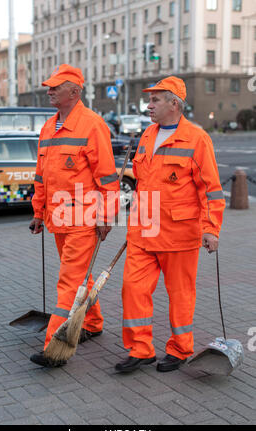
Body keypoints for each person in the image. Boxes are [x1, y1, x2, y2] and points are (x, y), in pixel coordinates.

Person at [115, 76, 225, 373]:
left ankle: (179, 349)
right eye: (148, 100)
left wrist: (211, 228)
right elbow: (142, 183)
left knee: (180, 294)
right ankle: (140, 349)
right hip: (142, 231)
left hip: (179, 234)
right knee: (132, 289)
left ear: (174, 104)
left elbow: (211, 190)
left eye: (155, 100)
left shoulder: (197, 139)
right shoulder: (148, 135)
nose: (148, 106)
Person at [29, 64, 120, 367]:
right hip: (58, 219)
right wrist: (38, 213)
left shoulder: (92, 125)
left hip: (83, 220)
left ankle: (54, 347)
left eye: (56, 87)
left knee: (68, 281)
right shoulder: (48, 127)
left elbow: (107, 178)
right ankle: (92, 323)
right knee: (81, 274)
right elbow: (41, 177)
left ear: (75, 92)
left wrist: (106, 216)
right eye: (50, 86)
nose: (49, 91)